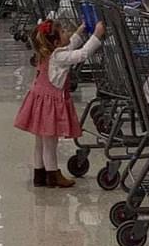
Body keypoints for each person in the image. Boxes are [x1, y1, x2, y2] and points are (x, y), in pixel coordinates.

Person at [15, 18, 106, 188]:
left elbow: (69, 47)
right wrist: (96, 35)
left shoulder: (47, 52)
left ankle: (39, 175)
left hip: (38, 101)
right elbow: (81, 54)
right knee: (51, 143)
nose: (67, 33)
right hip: (49, 105)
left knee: (40, 143)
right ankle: (53, 175)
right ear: (56, 42)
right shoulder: (59, 57)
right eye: (63, 32)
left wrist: (79, 32)